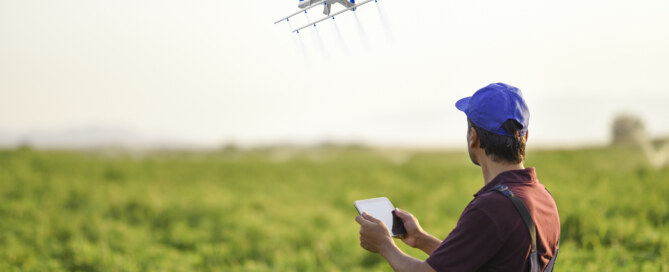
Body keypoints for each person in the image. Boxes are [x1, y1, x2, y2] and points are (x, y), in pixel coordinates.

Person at [355, 83, 560, 271]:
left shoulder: (491, 209)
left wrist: (384, 245)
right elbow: (478, 261)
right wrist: (420, 238)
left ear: (473, 137)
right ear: (525, 136)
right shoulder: (543, 199)